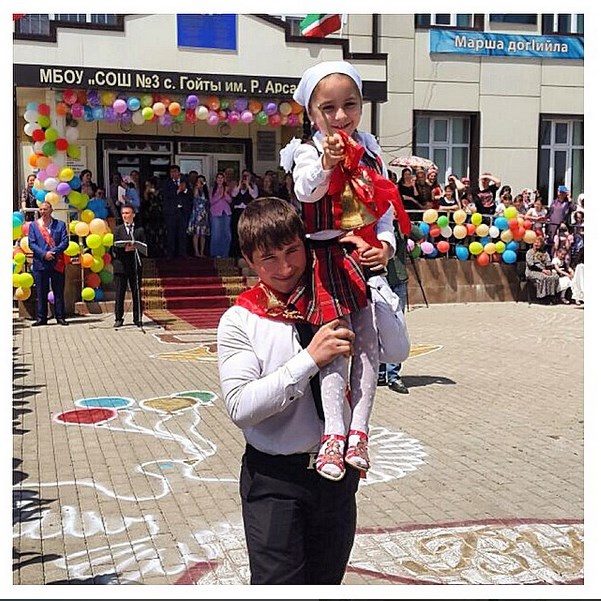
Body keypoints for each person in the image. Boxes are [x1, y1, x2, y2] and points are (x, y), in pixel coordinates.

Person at [217, 197, 360, 585]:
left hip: (336, 477)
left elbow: (396, 350)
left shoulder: (336, 299)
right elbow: (240, 407)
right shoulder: (240, 319)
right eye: (269, 259)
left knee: (326, 583)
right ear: (249, 261)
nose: (285, 268)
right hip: (275, 481)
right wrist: (309, 359)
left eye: (292, 251)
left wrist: (380, 268)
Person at [280, 60, 410, 482]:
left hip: (363, 258)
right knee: (337, 347)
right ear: (311, 112)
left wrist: (385, 247)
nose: (340, 116)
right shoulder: (306, 150)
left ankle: (360, 432)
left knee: (369, 345)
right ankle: (333, 434)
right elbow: (306, 190)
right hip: (326, 259)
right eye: (328, 108)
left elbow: (384, 208)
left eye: (349, 105)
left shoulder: (370, 149)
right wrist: (327, 162)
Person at [378, 221, 422, 394]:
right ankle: (380, 372)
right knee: (378, 328)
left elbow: (418, 235)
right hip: (379, 281)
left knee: (397, 328)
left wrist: (401, 220)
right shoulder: (377, 223)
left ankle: (393, 375)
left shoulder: (400, 225)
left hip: (398, 281)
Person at [27, 201, 69, 326]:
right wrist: (44, 254)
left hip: (56, 262)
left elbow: (65, 242)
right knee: (41, 291)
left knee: (58, 291)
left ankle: (60, 317)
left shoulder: (60, 225)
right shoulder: (34, 226)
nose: (43, 212)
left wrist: (53, 252)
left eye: (45, 209)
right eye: (41, 209)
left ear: (51, 210)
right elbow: (32, 243)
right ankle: (42, 318)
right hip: (41, 262)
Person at [112, 204, 146, 328]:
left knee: (136, 292)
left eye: (127, 213)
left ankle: (138, 318)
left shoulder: (139, 230)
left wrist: (136, 247)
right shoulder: (118, 230)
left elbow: (144, 247)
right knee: (120, 293)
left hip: (134, 265)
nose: (125, 216)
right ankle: (118, 318)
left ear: (133, 215)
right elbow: (114, 248)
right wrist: (124, 249)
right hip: (121, 265)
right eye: (123, 213)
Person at [162, 164, 192, 259]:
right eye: (171, 172)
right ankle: (170, 254)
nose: (173, 174)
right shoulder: (167, 183)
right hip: (171, 212)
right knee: (171, 233)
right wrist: (178, 190)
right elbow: (166, 195)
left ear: (179, 172)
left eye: (175, 172)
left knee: (182, 233)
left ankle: (183, 253)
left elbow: (190, 195)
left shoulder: (184, 181)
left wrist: (185, 190)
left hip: (182, 212)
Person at [230, 169, 259, 259]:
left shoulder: (253, 186)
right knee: (236, 232)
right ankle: (235, 252)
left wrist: (248, 185)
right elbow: (233, 194)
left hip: (247, 211)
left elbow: (254, 196)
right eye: (244, 175)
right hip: (237, 211)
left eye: (247, 176)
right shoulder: (237, 186)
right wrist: (239, 185)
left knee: (246, 232)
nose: (245, 177)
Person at [525, 234, 560, 304]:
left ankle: (551, 295)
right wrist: (542, 271)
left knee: (555, 277)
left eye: (538, 243)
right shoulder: (530, 252)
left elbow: (548, 263)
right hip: (532, 271)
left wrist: (549, 270)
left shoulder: (545, 253)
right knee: (543, 277)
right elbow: (531, 265)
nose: (536, 244)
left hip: (544, 270)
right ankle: (542, 297)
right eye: (535, 242)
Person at [209, 171, 232, 258]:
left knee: (227, 234)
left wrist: (225, 193)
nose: (220, 179)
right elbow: (211, 201)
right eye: (218, 178)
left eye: (221, 178)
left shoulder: (227, 188)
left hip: (226, 213)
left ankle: (225, 253)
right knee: (216, 234)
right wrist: (220, 195)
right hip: (216, 213)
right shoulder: (212, 189)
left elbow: (230, 200)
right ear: (216, 179)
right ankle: (216, 253)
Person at [187, 173, 210, 258]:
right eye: (199, 181)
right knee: (196, 233)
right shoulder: (195, 189)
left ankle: (202, 252)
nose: (201, 182)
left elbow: (207, 203)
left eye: (202, 181)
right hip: (197, 214)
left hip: (204, 214)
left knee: (203, 234)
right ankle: (196, 252)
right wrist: (198, 187)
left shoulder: (206, 191)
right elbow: (195, 197)